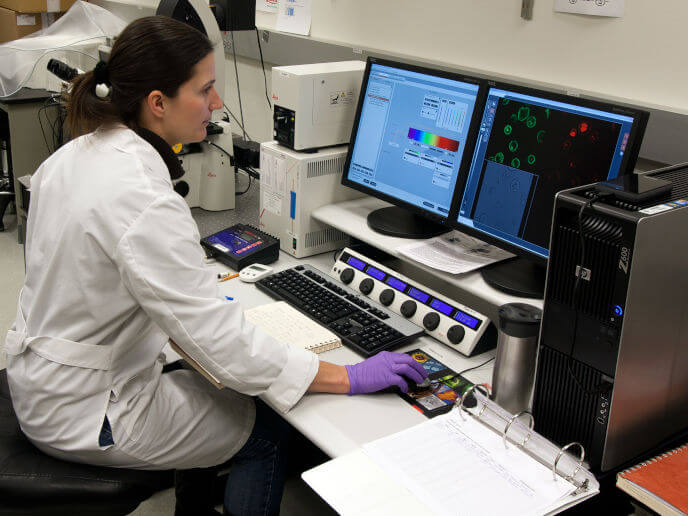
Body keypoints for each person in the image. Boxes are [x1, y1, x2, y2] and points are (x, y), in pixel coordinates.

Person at [3, 15, 427, 515]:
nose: (218, 103)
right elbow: (228, 352)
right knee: (267, 430)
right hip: (89, 411)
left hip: (44, 379)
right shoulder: (143, 199)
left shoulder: (73, 157)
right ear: (157, 103)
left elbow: (170, 312)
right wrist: (346, 377)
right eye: (205, 90)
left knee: (210, 380)